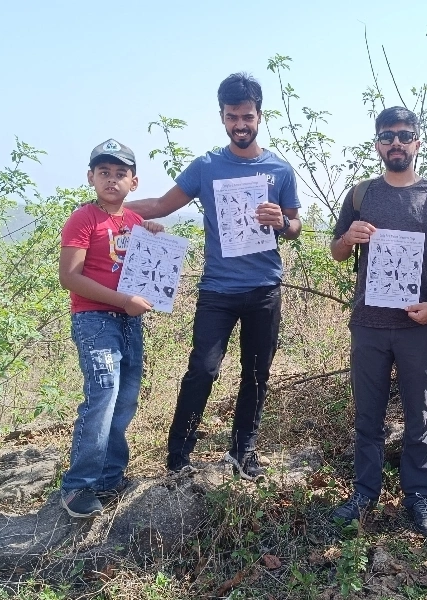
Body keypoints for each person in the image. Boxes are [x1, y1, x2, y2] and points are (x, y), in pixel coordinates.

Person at [124, 73, 301, 479]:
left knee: (256, 374)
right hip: (217, 290)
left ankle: (243, 453)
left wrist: (282, 222)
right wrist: (109, 206)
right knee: (203, 370)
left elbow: (295, 226)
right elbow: (162, 206)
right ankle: (178, 457)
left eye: (247, 116)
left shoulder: (279, 169)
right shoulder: (206, 166)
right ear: (221, 116)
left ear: (260, 116)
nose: (240, 124)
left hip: (264, 289)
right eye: (232, 116)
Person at [329, 107, 427, 536]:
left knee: (420, 416)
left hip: (417, 327)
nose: (396, 143)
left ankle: (419, 496)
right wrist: (348, 238)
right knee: (368, 416)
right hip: (368, 324)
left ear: (417, 143)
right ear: (378, 145)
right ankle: (364, 493)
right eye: (388, 137)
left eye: (405, 136)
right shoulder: (360, 195)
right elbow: (337, 252)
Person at [58, 139, 166, 518]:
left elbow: (145, 269)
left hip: (129, 321)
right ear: (91, 177)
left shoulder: (133, 221)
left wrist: (153, 236)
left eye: (121, 174)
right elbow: (69, 277)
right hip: (94, 319)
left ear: (133, 183)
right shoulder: (83, 219)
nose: (111, 179)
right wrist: (122, 301)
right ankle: (78, 487)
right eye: (104, 172)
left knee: (125, 399)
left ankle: (109, 479)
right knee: (102, 395)